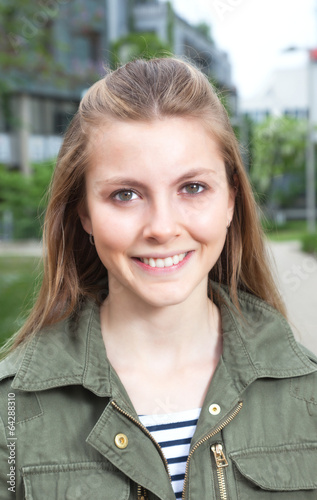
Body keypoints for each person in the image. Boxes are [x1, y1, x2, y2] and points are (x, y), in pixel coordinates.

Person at [0, 57, 316, 500]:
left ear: (231, 200)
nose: (162, 227)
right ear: (85, 213)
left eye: (193, 188)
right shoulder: (10, 414)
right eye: (125, 195)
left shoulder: (309, 393)